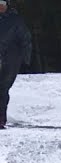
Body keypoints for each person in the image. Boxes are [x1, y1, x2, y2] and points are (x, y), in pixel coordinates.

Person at [0, 0, 32, 130]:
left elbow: (25, 38)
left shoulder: (14, 20)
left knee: (2, 88)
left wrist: (26, 59)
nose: (0, 8)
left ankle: (0, 120)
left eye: (1, 5)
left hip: (11, 59)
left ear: (6, 6)